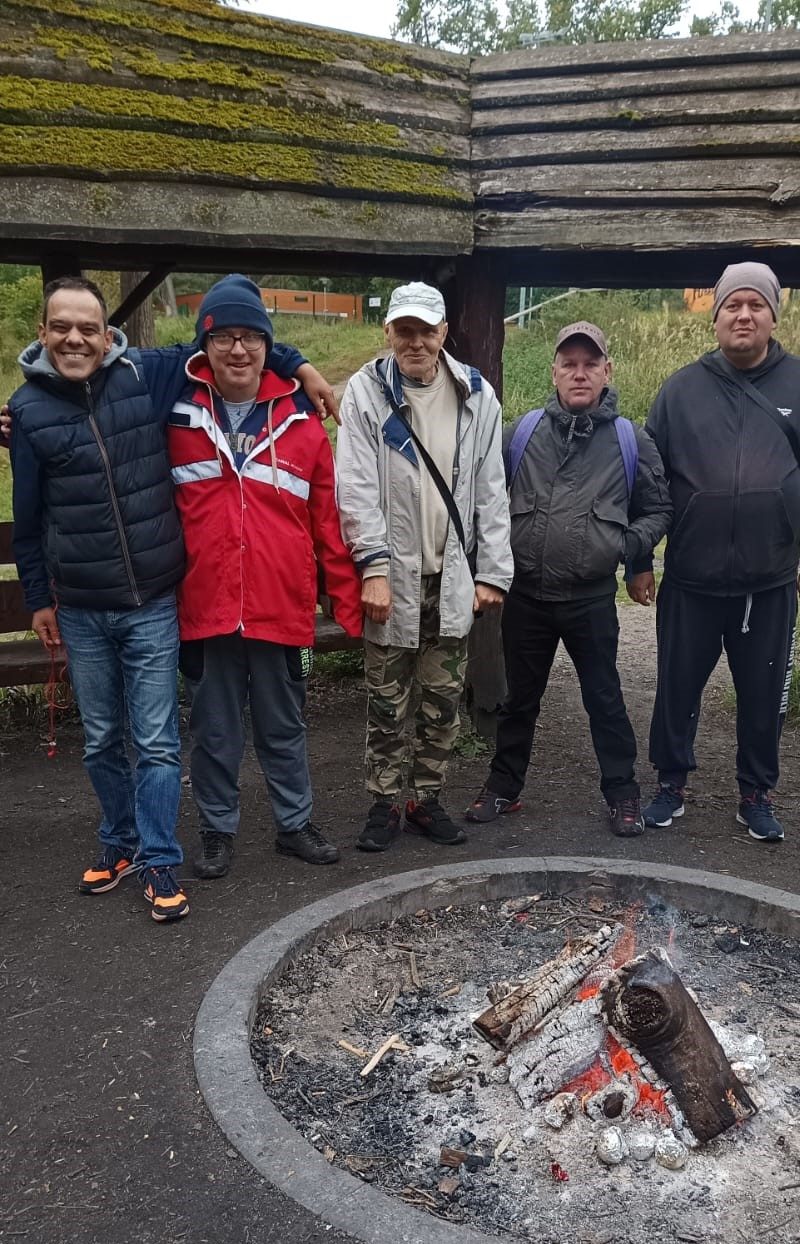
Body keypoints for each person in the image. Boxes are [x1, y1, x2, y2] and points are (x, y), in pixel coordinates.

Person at [7, 274, 335, 918]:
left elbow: (240, 340)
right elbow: (27, 515)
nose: (76, 339)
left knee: (208, 733)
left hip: (169, 598)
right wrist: (40, 596)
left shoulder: (142, 377)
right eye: (61, 327)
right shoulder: (34, 409)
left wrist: (303, 364)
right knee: (146, 734)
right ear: (42, 334)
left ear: (109, 335)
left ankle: (224, 840)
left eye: (89, 328)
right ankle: (167, 837)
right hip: (129, 602)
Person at [632, 263, 800, 842]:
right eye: (732, 305)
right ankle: (670, 784)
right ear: (717, 315)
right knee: (676, 689)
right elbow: (649, 482)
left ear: (774, 314)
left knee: (762, 692)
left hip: (768, 581)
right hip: (692, 580)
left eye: (756, 304)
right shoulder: (680, 389)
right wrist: (642, 558)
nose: (743, 314)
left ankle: (756, 792)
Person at [170, 275, 363, 877]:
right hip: (207, 606)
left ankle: (294, 824)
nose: (238, 350)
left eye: (251, 337)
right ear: (204, 345)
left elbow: (327, 523)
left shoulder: (302, 426)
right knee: (215, 730)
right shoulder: (174, 416)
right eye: (224, 336)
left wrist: (346, 601)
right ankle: (216, 830)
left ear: (266, 345)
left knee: (284, 725)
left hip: (281, 607)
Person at [465, 321, 673, 838]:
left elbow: (659, 508)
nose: (579, 374)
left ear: (607, 371)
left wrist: (624, 548)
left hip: (590, 600)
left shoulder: (631, 440)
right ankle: (503, 787)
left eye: (590, 364)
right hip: (527, 598)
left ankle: (623, 794)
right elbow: (489, 502)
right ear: (554, 372)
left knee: (604, 699)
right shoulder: (523, 433)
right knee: (519, 700)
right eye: (569, 365)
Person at [336, 281, 512, 853]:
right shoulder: (366, 393)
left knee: (442, 699)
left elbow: (491, 488)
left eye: (426, 330)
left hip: (453, 573)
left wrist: (493, 571)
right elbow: (357, 487)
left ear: (443, 333)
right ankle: (384, 802)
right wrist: (373, 567)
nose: (415, 341)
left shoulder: (476, 396)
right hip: (394, 572)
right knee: (388, 698)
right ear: (388, 332)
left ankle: (425, 798)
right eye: (404, 330)